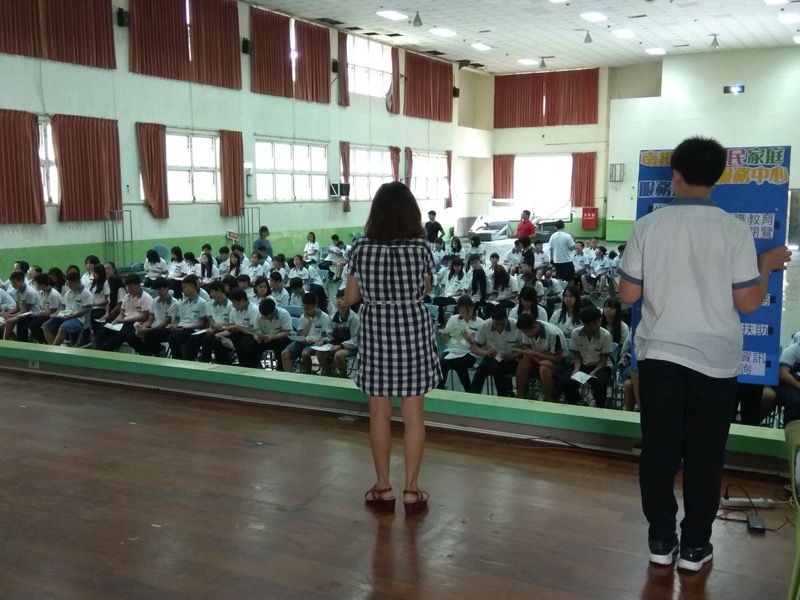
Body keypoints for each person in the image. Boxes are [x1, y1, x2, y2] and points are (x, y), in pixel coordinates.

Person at [617, 135, 791, 572]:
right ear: (718, 178)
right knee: (706, 454)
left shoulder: (648, 227)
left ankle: (661, 541)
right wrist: (766, 265)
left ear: (675, 175)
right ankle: (695, 547)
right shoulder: (734, 230)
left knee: (659, 451)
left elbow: (627, 295)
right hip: (715, 361)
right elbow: (748, 303)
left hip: (659, 355)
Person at [345, 181, 441, 516]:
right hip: (413, 327)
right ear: (411, 212)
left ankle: (383, 488)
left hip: (376, 329)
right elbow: (425, 288)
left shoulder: (360, 248)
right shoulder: (421, 247)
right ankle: (412, 491)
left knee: (379, 413)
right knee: (414, 414)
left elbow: (352, 297)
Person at [564, 305, 613, 408]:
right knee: (567, 380)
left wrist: (594, 371)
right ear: (586, 324)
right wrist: (576, 370)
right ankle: (577, 402)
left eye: (599, 322)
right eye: (596, 323)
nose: (599, 325)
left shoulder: (606, 335)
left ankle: (599, 406)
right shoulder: (576, 334)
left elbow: (604, 360)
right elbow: (577, 357)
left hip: (600, 366)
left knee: (600, 383)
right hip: (582, 364)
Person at [469, 304, 522, 397]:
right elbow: (474, 347)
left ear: (507, 318)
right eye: (496, 324)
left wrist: (513, 355)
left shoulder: (516, 326)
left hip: (512, 361)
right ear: (492, 319)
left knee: (490, 366)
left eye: (502, 324)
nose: (499, 327)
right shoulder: (485, 325)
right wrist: (485, 352)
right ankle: (502, 394)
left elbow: (525, 348)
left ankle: (475, 394)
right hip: (492, 358)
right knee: (486, 366)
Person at [515, 313, 569, 401]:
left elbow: (557, 359)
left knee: (544, 369)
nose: (525, 334)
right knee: (524, 363)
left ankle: (549, 400)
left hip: (558, 363)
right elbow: (527, 351)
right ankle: (520, 397)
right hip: (537, 359)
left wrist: (536, 355)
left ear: (535, 327)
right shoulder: (527, 330)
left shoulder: (553, 334)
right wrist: (539, 360)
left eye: (527, 332)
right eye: (523, 332)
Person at [92, 274, 153, 352]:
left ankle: (104, 353)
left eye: (130, 286)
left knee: (118, 335)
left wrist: (123, 321)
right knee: (102, 332)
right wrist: (116, 321)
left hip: (136, 323)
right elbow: (121, 313)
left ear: (138, 285)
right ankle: (98, 351)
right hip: (124, 322)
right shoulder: (126, 297)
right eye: (127, 286)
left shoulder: (146, 298)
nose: (128, 289)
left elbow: (144, 317)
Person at [438, 295, 483, 391]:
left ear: (472, 308)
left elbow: (481, 345)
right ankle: (439, 389)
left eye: (467, 311)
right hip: (452, 349)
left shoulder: (480, 323)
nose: (465, 314)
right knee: (442, 363)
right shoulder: (453, 319)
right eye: (462, 312)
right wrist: (445, 335)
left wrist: (470, 340)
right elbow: (446, 339)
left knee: (458, 363)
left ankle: (469, 390)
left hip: (470, 352)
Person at [280, 292, 332, 373]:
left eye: (308, 308)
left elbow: (326, 336)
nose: (306, 311)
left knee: (305, 354)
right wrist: (309, 323)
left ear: (315, 306)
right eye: (304, 308)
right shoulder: (303, 317)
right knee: (284, 353)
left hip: (315, 343)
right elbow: (300, 335)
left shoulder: (324, 317)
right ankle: (288, 376)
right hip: (302, 341)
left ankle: (307, 373)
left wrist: (321, 341)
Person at [127, 278, 178, 357]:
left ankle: (147, 356)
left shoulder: (174, 303)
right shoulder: (155, 301)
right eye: (156, 289)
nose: (158, 291)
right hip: (154, 327)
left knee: (149, 334)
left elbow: (165, 323)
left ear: (166, 288)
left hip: (165, 329)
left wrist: (149, 330)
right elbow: (150, 320)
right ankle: (156, 351)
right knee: (130, 337)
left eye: (160, 289)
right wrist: (142, 327)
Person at [316, 289, 359, 377]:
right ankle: (330, 376)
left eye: (342, 299)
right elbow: (329, 336)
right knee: (320, 353)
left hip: (351, 347)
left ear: (349, 302)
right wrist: (323, 341)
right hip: (335, 345)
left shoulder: (354, 318)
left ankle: (343, 378)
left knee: (338, 355)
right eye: (338, 298)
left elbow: (356, 339)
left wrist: (341, 346)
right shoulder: (332, 317)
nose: (339, 301)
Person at [42, 271, 93, 347]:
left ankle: (53, 349)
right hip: (65, 316)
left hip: (79, 319)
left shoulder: (86, 293)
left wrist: (72, 316)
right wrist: (56, 313)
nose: (69, 286)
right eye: (67, 284)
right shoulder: (68, 292)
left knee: (63, 327)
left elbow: (86, 310)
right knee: (46, 326)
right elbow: (63, 305)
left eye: (70, 284)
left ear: (77, 282)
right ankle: (54, 347)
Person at [242, 298, 293, 370]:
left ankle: (281, 370)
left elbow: (286, 332)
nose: (264, 317)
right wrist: (257, 338)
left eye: (266, 316)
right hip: (265, 338)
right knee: (250, 346)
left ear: (273, 311)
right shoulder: (259, 315)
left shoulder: (283, 314)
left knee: (281, 348)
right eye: (263, 315)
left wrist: (272, 337)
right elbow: (255, 331)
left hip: (280, 338)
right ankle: (251, 369)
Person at [213, 288, 260, 366]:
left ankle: (245, 366)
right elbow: (231, 328)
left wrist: (238, 328)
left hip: (250, 335)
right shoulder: (234, 310)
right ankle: (224, 365)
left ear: (242, 300)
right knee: (217, 341)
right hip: (237, 333)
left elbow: (253, 330)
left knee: (243, 344)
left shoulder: (254, 310)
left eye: (234, 303)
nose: (233, 305)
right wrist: (222, 334)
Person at [167, 275, 209, 360]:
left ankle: (184, 360)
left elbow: (203, 323)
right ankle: (177, 360)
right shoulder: (182, 303)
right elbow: (177, 319)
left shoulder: (202, 303)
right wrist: (174, 325)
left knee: (174, 337)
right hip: (182, 328)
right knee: (169, 335)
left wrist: (188, 327)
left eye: (185, 287)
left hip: (194, 329)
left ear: (192, 286)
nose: (183, 290)